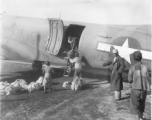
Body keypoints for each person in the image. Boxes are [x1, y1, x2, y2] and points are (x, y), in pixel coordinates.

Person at [128, 51, 150, 120]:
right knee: (142, 104)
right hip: (144, 89)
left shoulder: (132, 67)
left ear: (134, 58)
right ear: (141, 58)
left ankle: (138, 118)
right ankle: (141, 118)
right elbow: (148, 78)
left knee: (135, 106)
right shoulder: (145, 67)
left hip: (135, 88)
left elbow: (130, 79)